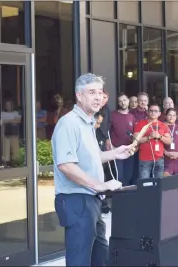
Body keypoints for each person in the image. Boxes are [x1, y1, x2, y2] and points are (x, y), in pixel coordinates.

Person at [52, 73, 132, 267]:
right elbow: (66, 165)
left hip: (92, 200)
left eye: (100, 92)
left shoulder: (88, 122)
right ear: (79, 96)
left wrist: (115, 154)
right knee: (80, 260)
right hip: (76, 200)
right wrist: (100, 184)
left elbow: (93, 155)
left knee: (100, 257)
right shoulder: (68, 123)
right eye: (91, 92)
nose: (98, 97)